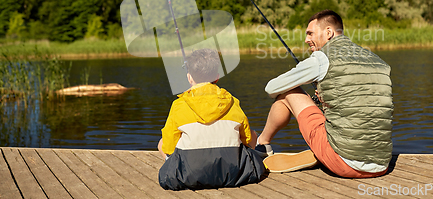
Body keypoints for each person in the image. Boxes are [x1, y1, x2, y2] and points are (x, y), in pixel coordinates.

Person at [255, 10, 393, 178]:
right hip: (382, 163)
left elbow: (271, 87)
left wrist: (302, 81)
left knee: (289, 91)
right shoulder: (377, 60)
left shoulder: (321, 58)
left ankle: (262, 144)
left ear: (328, 33)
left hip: (345, 162)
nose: (306, 40)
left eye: (310, 33)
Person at [158, 48, 266, 190]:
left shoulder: (179, 105)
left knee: (161, 142)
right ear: (217, 77)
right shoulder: (232, 101)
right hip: (234, 173)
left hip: (187, 175)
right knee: (253, 134)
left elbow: (169, 148)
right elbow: (247, 141)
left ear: (189, 77)